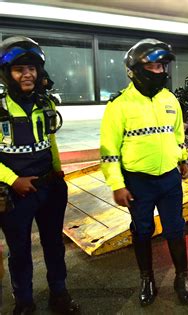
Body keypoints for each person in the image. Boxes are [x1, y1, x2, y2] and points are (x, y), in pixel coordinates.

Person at [100, 38, 188, 307]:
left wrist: (182, 158)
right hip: (138, 182)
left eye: (163, 65)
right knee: (142, 230)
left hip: (169, 178)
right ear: (136, 69)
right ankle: (147, 279)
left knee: (176, 228)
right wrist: (117, 184)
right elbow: (109, 150)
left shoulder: (170, 99)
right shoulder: (119, 105)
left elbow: (178, 134)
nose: (160, 71)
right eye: (154, 66)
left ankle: (181, 277)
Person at [0, 36, 79, 314]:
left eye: (32, 68)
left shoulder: (46, 103)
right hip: (14, 193)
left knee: (54, 244)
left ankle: (59, 293)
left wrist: (57, 171)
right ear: (7, 73)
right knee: (19, 251)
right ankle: (24, 302)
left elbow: (50, 140)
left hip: (49, 188)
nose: (27, 74)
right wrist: (13, 180)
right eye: (19, 69)